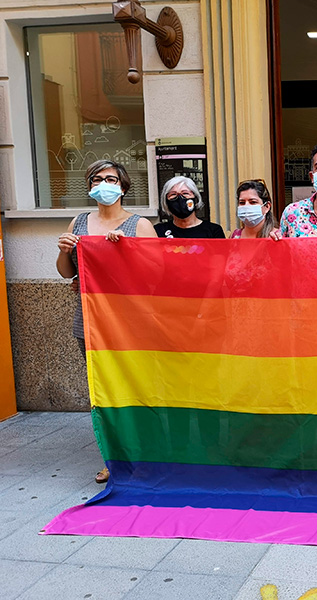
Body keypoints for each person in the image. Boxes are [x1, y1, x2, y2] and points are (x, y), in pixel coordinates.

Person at [55, 159, 157, 485]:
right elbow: (67, 272)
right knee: (102, 392)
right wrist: (62, 250)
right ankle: (112, 459)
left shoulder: (139, 226)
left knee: (135, 389)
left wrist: (126, 252)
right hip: (89, 322)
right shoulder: (80, 222)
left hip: (130, 325)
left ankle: (145, 455)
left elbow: (158, 276)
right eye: (97, 179)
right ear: (89, 186)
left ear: (123, 186)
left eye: (111, 178)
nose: (104, 184)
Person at [154, 176, 225, 239]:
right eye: (173, 194)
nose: (179, 198)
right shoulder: (158, 231)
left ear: (196, 198)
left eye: (185, 193)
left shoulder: (213, 231)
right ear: (166, 201)